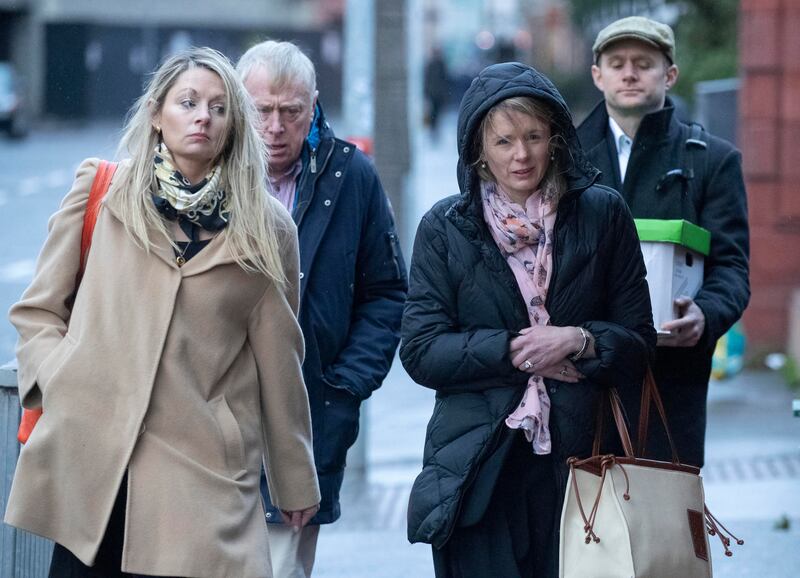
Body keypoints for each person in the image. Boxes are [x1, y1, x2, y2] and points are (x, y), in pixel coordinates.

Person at [4, 47, 320, 578]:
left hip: (203, 472)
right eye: (188, 102)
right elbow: (37, 310)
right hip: (97, 458)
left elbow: (280, 359)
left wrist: (294, 478)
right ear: (156, 113)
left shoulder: (268, 227)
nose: (203, 117)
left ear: (233, 124)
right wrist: (60, 380)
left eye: (219, 108)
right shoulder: (102, 191)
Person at [400, 61, 656, 578]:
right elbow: (421, 350)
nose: (522, 155)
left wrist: (578, 340)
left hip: (581, 461)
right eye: (504, 141)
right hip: (478, 460)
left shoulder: (603, 214)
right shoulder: (443, 228)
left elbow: (639, 342)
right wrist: (516, 350)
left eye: (535, 136)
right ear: (478, 151)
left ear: (556, 138)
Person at [237, 41, 407, 577]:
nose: (275, 126)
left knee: (283, 568)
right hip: (214, 418)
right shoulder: (209, 175)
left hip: (308, 413)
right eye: (261, 110)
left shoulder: (351, 175)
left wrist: (346, 384)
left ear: (314, 104)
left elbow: (387, 291)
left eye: (292, 111)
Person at [577, 16, 750, 467]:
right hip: (581, 378)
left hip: (672, 386)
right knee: (584, 526)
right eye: (616, 63)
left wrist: (705, 315)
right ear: (598, 75)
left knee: (666, 527)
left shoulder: (714, 160)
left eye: (643, 63)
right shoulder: (564, 160)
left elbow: (732, 268)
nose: (629, 73)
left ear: (669, 74)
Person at [424, 46, 450, 139]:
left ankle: (434, 131)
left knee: (436, 113)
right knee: (435, 113)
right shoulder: (437, 64)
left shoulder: (437, 64)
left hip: (435, 93)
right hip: (435, 93)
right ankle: (433, 131)